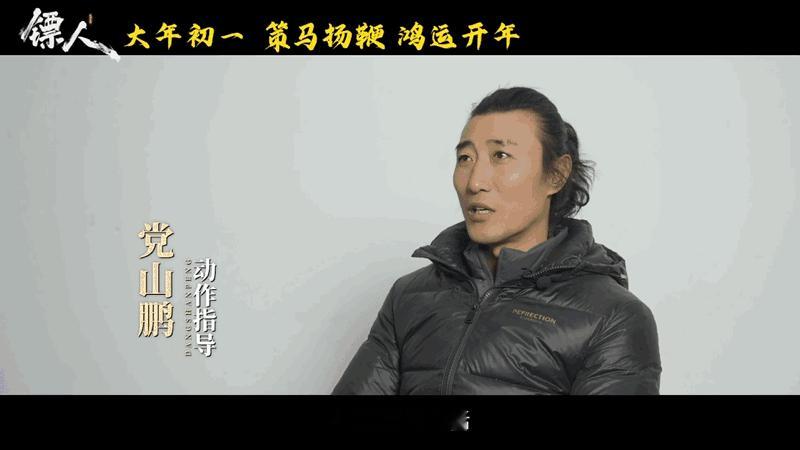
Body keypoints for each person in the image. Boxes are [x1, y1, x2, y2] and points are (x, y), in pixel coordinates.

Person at [332, 86, 662, 395]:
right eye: (465, 158)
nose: (475, 182)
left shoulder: (613, 316)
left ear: (556, 175)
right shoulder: (410, 294)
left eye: (501, 155)